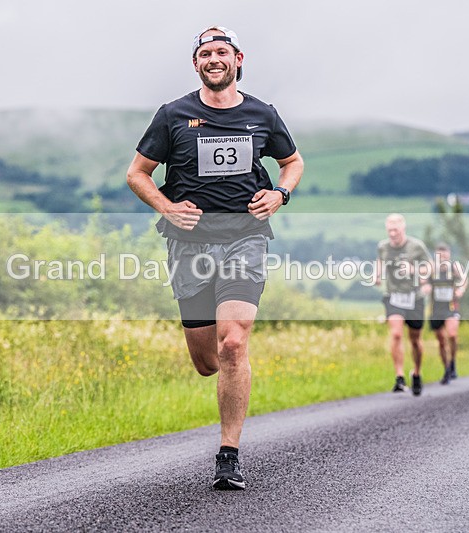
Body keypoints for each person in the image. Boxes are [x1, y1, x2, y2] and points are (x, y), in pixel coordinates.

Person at [126, 26, 304, 490]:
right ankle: (221, 375)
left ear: (238, 59)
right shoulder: (173, 115)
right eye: (205, 53)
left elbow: (294, 162)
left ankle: (229, 454)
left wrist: (280, 194)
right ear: (196, 64)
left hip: (246, 237)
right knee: (207, 360)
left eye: (221, 51)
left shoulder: (262, 114)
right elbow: (137, 174)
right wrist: (165, 206)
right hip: (189, 246)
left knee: (234, 344)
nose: (213, 59)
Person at [374, 214, 432, 396]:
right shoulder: (383, 247)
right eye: (389, 230)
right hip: (393, 297)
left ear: (403, 229)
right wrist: (376, 275)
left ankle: (416, 372)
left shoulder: (416, 246)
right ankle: (399, 376)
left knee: (415, 340)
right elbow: (379, 261)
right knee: (397, 334)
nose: (392, 234)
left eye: (395, 230)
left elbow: (430, 268)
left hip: (414, 298)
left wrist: (414, 270)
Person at [428, 243, 468, 384]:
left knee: (452, 335)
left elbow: (464, 279)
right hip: (436, 309)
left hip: (451, 308)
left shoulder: (454, 267)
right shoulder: (431, 269)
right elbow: (422, 282)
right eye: (440, 256)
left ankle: (453, 363)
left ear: (449, 255)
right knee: (441, 341)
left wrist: (461, 290)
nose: (442, 258)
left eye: (445, 256)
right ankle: (446, 369)